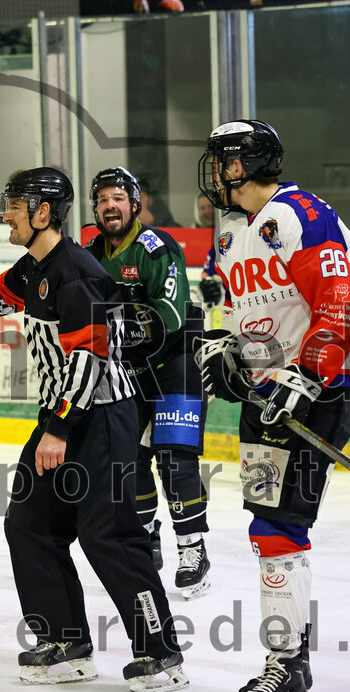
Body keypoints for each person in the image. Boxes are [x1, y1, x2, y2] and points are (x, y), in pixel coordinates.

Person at [0, 167, 187, 692]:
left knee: (108, 535)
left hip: (104, 416)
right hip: (65, 415)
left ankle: (160, 653)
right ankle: (68, 643)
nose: (5, 214)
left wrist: (59, 428)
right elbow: (3, 292)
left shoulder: (76, 271)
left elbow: (90, 356)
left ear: (43, 213)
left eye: (14, 206)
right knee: (30, 522)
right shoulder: (36, 265)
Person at [193, 119, 350, 692]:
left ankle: (287, 671)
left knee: (281, 524)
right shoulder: (232, 233)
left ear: (247, 164)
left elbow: (337, 310)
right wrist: (228, 354)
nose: (213, 172)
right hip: (265, 400)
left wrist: (306, 377)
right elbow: (242, 320)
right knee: (268, 531)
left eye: (223, 161)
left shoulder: (301, 216)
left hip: (315, 397)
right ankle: (287, 664)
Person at [84, 166, 211, 599]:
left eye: (118, 198)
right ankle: (146, 537)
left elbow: (172, 317)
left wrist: (112, 328)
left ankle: (194, 549)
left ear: (135, 204)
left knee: (175, 460)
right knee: (128, 459)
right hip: (129, 369)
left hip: (175, 362)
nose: (110, 206)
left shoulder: (157, 248)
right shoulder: (90, 252)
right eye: (102, 200)